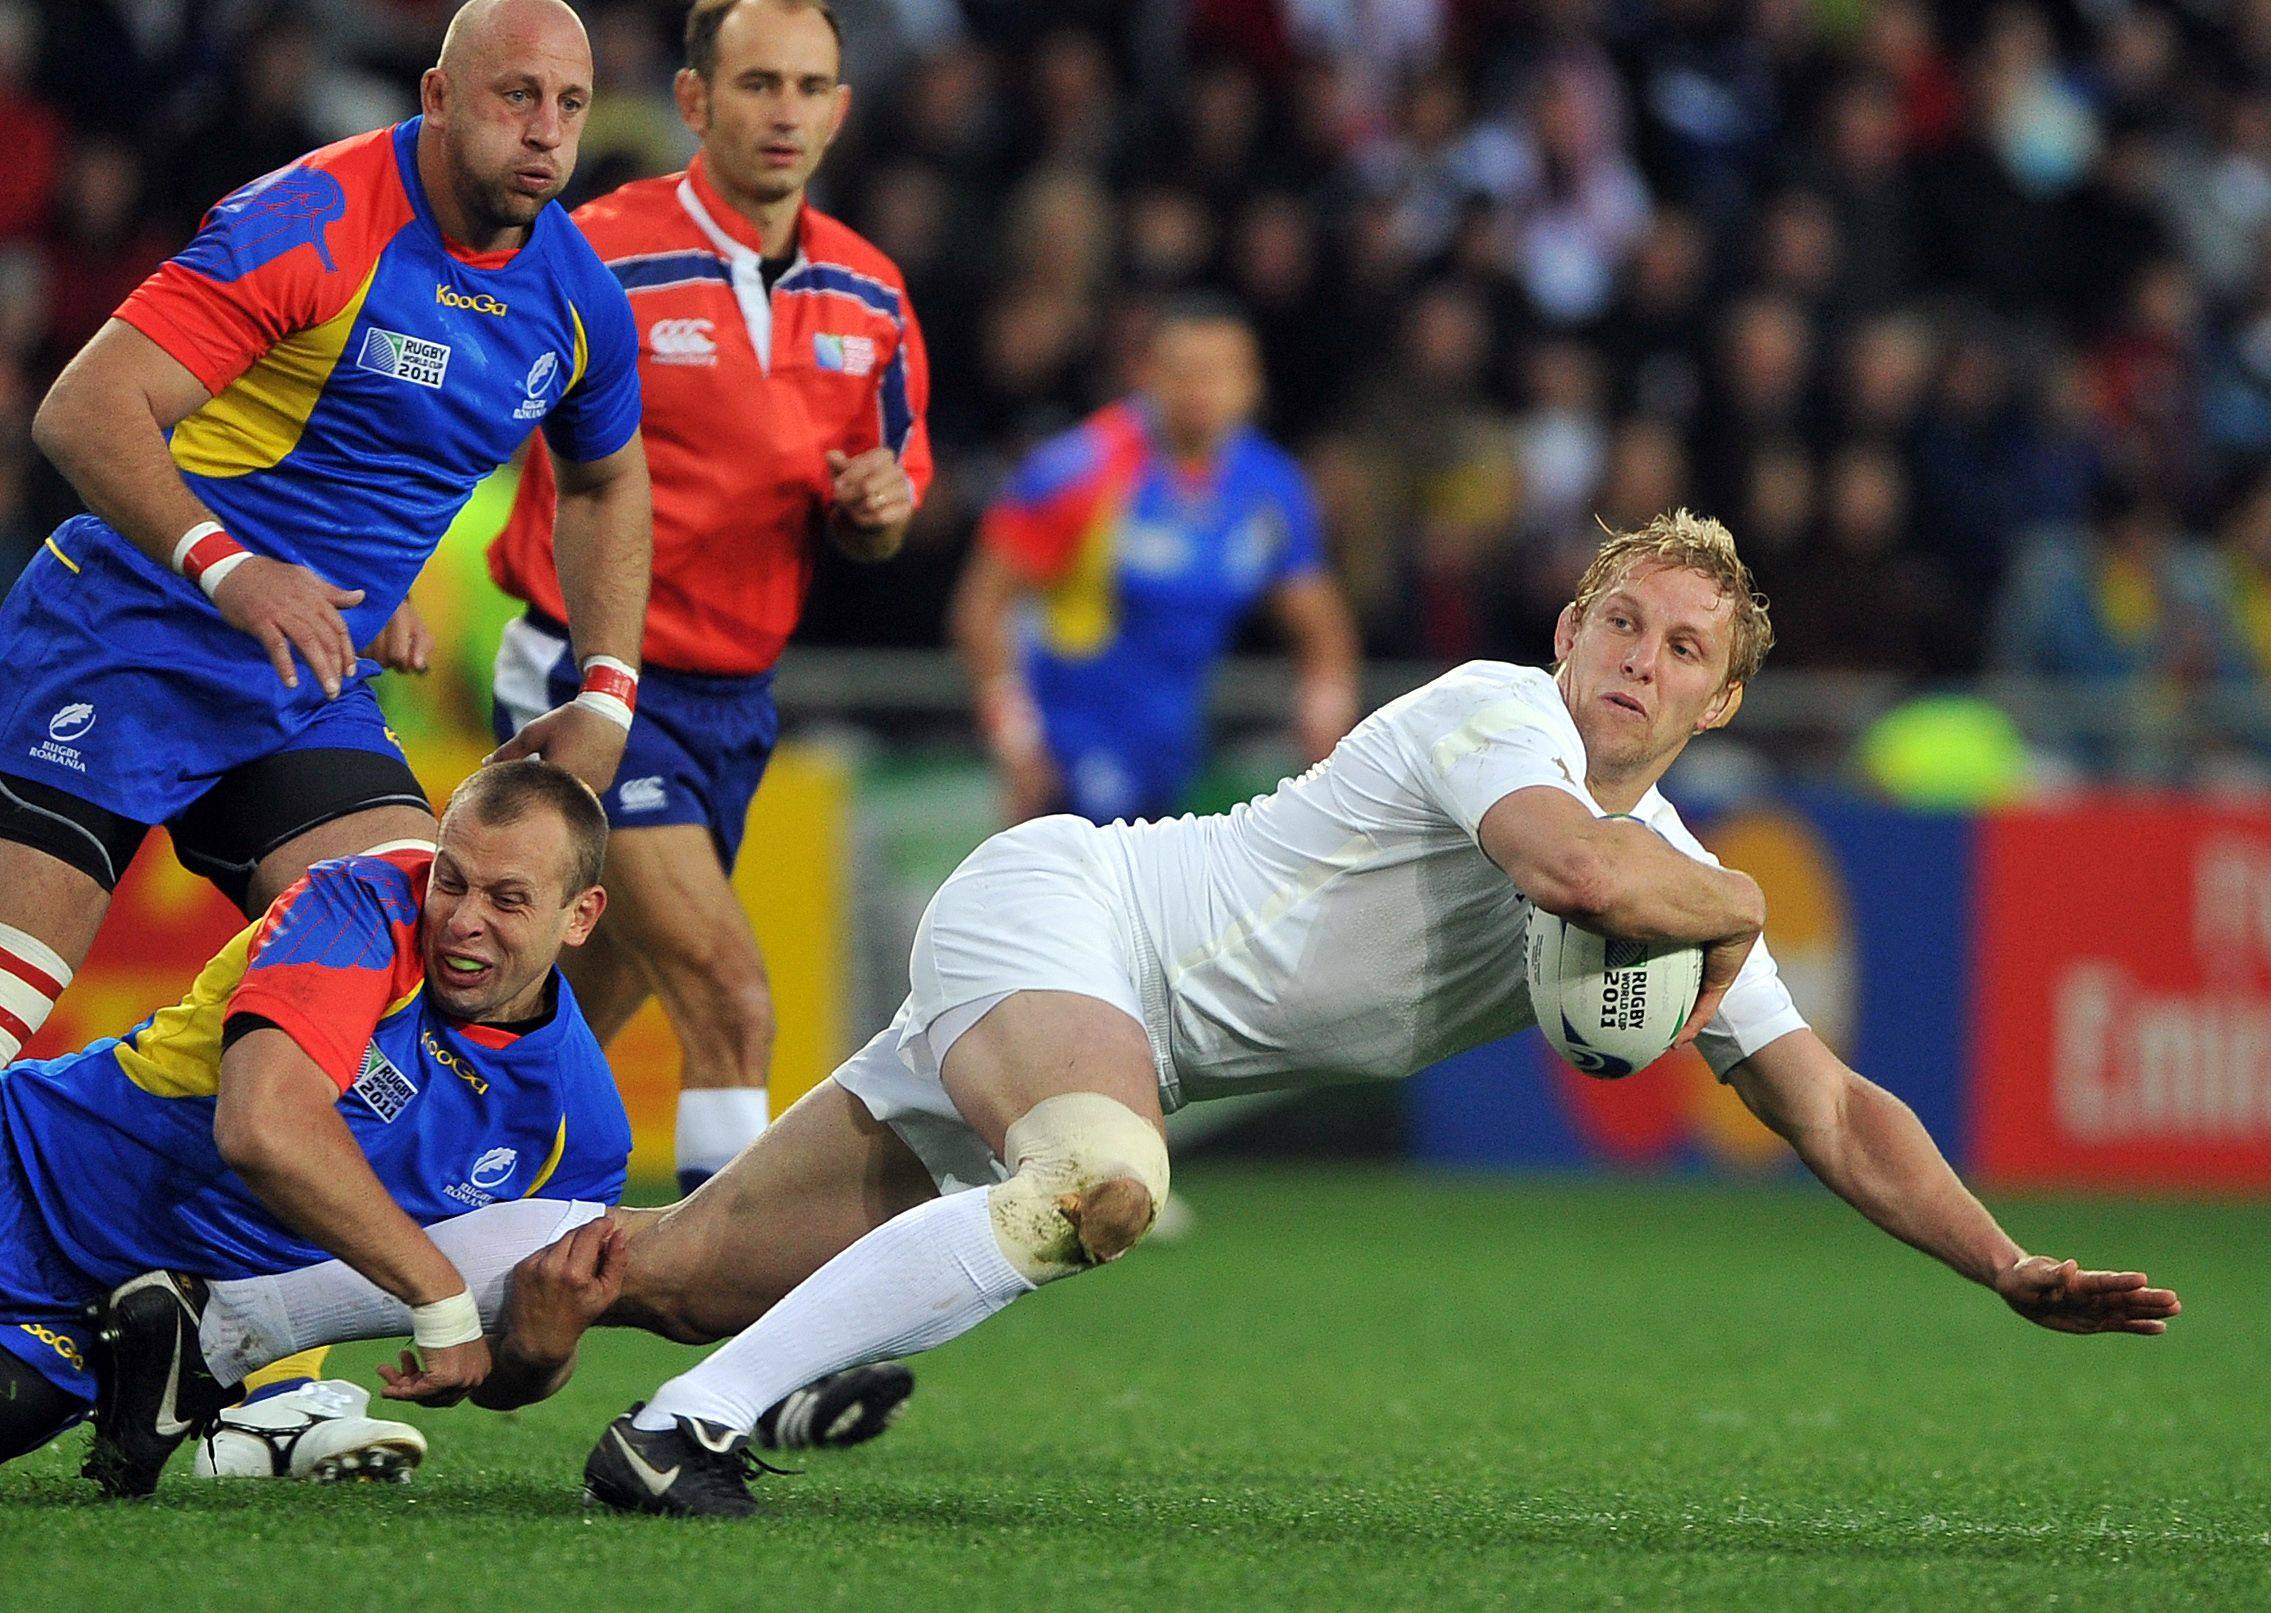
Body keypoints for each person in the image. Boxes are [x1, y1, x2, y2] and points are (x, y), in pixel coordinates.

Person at [102, 513, 2180, 1517]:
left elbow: (1830, 1106)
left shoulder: (1685, 885)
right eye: (1619, 620)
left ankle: (227, 1322)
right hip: (1069, 910)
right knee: (1095, 1178)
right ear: (1567, 632)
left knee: (649, 1263)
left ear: (1724, 701)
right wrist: (1730, 901)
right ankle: (687, 1441)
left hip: (1080, 1001)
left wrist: (1997, 1256)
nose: (1637, 658)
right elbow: (1579, 873)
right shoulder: (1501, 721)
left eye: (1683, 648)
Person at [0, 0, 653, 1461]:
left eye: (568, 102)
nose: (544, 130)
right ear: (435, 93)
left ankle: (229, 1364)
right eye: (512, 98)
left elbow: (608, 479)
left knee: (432, 969)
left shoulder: (571, 293)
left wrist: (604, 694)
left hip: (297, 683)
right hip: (124, 637)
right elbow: (83, 407)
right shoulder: (313, 219)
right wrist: (246, 569)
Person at [489, 0, 930, 1195]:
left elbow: (881, 509)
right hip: (594, 681)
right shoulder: (595, 252)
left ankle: (357, 1233)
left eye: (809, 86)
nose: (784, 110)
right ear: (693, 101)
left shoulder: (874, 297)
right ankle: (740, 1344)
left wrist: (877, 512)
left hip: (737, 701)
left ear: (840, 109)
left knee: (531, 1030)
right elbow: (465, 417)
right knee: (729, 993)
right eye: (757, 83)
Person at [0, 761, 631, 1492]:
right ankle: (275, 1413)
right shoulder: (362, 902)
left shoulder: (575, 1125)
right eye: (451, 879)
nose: (461, 919)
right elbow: (264, 1128)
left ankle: (264, 1410)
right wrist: (441, 1295)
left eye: (508, 899)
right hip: (24, 1173)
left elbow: (504, 1371)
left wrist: (541, 1352)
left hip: (94, 1338)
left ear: (580, 915)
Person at [950, 295, 1360, 826]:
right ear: (1145, 373)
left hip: (1178, 742)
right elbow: (980, 608)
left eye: (1219, 374)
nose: (1201, 392)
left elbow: (1319, 622)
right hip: (1070, 743)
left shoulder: (1271, 487)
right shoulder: (1078, 471)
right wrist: (1015, 737)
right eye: (1184, 373)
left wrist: (1325, 712)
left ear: (1251, 382)